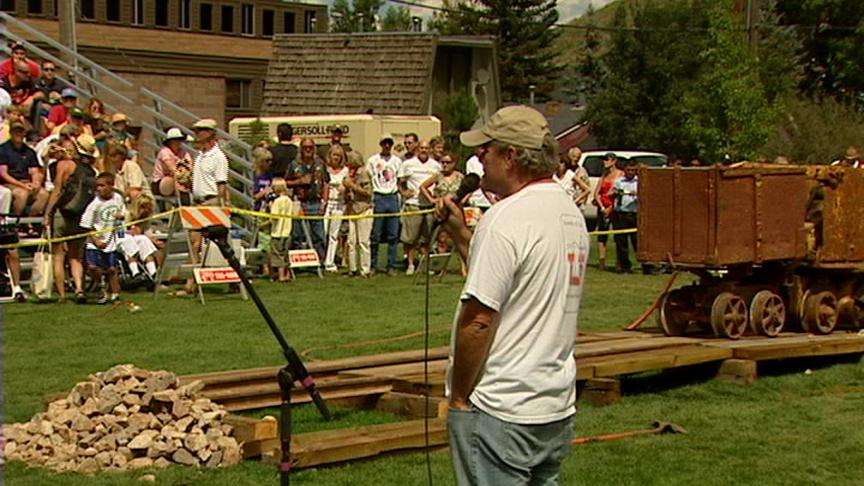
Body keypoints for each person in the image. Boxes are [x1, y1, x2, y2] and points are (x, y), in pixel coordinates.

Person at [436, 105, 588, 485]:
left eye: (486, 149)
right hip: (551, 404)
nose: (479, 158)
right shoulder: (568, 212)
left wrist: (459, 398)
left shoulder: (505, 218)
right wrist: (461, 236)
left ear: (512, 155)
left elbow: (479, 319)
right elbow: (515, 284)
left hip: (501, 406)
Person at [44, 133, 98, 303]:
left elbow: (58, 190)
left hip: (63, 212)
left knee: (58, 255)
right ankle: (79, 289)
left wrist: (48, 213)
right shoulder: (91, 170)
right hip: (80, 214)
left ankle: (61, 295)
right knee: (76, 256)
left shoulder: (65, 165)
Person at [80, 172, 125, 305]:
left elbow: (122, 212)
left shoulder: (117, 198)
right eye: (97, 186)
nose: (99, 188)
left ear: (111, 186)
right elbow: (87, 225)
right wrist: (96, 240)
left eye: (102, 185)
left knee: (112, 269)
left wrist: (120, 216)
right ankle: (101, 286)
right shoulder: (94, 205)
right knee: (93, 267)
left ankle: (115, 295)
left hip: (110, 239)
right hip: (96, 241)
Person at [398, 139, 440, 275]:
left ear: (430, 150)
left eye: (426, 148)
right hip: (413, 204)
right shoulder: (408, 164)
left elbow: (439, 182)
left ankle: (425, 265)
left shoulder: (435, 165)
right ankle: (410, 264)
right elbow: (400, 182)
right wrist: (404, 192)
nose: (424, 150)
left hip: (428, 206)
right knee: (411, 238)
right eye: (421, 148)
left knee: (426, 238)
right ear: (418, 149)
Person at [286, 137, 327, 260]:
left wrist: (324, 202)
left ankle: (319, 261)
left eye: (310, 147)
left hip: (316, 202)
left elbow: (326, 183)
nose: (308, 150)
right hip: (300, 202)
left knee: (319, 235)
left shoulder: (320, 163)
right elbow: (285, 182)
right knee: (298, 234)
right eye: (305, 147)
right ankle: (298, 261)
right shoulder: (294, 164)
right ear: (301, 149)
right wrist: (299, 181)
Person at [368, 134, 402, 275]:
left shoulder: (397, 161)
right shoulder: (373, 160)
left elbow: (399, 181)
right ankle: (373, 264)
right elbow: (369, 179)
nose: (387, 146)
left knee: (393, 235)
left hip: (392, 197)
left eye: (389, 143)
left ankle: (391, 265)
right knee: (376, 234)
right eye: (384, 143)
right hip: (379, 196)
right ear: (381, 144)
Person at [0, 121, 48, 216]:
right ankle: (15, 222)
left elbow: (34, 171)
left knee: (44, 194)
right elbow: (3, 174)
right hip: (9, 183)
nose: (18, 134)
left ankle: (29, 220)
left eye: (20, 131)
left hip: (26, 182)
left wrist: (36, 183)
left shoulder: (29, 152)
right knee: (22, 194)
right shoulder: (3, 150)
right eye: (16, 131)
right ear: (11, 133)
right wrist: (21, 185)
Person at [420, 151, 463, 254]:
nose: (445, 165)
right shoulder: (438, 176)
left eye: (448, 162)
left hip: (456, 210)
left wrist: (464, 200)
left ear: (454, 163)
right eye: (442, 162)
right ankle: (439, 263)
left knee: (459, 238)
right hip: (441, 211)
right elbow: (423, 187)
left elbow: (469, 189)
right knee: (441, 238)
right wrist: (432, 199)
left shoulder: (460, 176)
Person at [343, 150, 373, 278]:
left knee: (363, 241)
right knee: (351, 241)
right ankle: (353, 268)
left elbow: (368, 192)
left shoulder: (364, 173)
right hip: (352, 209)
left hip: (364, 209)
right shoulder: (349, 174)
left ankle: (365, 269)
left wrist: (353, 186)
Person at [592, 152, 622, 271]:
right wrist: (602, 207)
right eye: (604, 160)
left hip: (615, 208)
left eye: (607, 159)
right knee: (602, 235)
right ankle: (602, 261)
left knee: (618, 236)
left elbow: (619, 194)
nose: (605, 162)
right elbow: (596, 193)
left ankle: (619, 262)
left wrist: (611, 208)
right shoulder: (603, 175)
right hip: (603, 208)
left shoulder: (620, 175)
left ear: (614, 161)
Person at [190, 118, 230, 207]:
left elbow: (222, 183)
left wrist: (219, 201)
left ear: (209, 133)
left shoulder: (218, 156)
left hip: (210, 203)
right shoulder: (199, 156)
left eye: (199, 130)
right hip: (197, 203)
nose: (196, 133)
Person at [323, 144, 349, 272]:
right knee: (323, 231)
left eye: (339, 156)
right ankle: (321, 257)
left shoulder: (346, 171)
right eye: (334, 155)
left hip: (339, 203)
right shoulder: (325, 169)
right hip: (327, 203)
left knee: (334, 234)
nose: (336, 158)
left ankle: (330, 261)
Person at [611, 160, 639, 273]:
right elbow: (613, 193)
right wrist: (617, 192)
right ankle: (625, 266)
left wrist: (637, 194)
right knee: (621, 242)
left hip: (635, 213)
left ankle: (647, 266)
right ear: (624, 170)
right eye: (628, 170)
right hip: (621, 214)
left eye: (633, 170)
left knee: (637, 241)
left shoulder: (639, 182)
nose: (631, 172)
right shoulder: (619, 181)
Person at [152, 127, 193, 199]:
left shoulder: (184, 152)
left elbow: (190, 166)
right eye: (175, 140)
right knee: (170, 180)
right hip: (161, 182)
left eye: (179, 140)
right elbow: (172, 169)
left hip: (179, 180)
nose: (178, 142)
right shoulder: (164, 152)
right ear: (170, 141)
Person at [268, 178, 294, 283]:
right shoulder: (289, 200)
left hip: (277, 232)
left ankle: (281, 276)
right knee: (285, 254)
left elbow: (274, 217)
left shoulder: (277, 202)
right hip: (287, 231)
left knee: (277, 255)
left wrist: (270, 207)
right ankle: (287, 274)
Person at [465, 146, 494, 210]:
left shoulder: (492, 159)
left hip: (492, 201)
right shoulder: (471, 161)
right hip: (476, 201)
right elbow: (474, 181)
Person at [252, 141, 275, 211]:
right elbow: (252, 197)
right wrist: (263, 192)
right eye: (267, 160)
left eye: (271, 160)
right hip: (256, 209)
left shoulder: (269, 175)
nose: (270, 163)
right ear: (260, 161)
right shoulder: (253, 176)